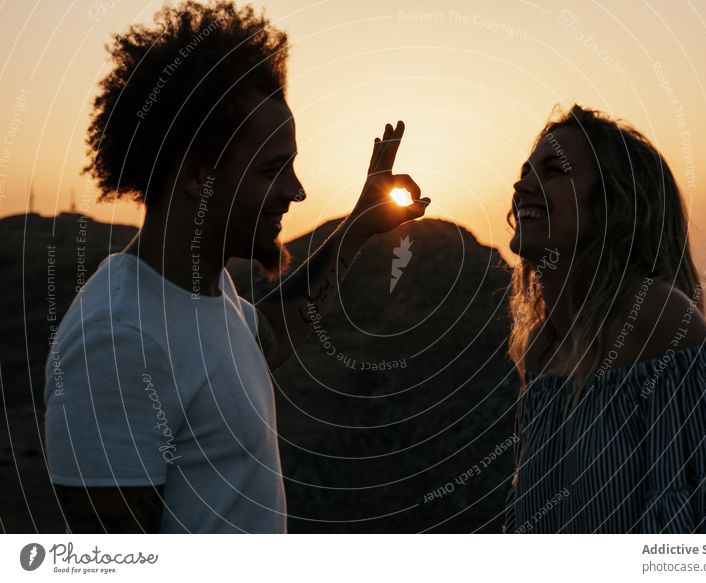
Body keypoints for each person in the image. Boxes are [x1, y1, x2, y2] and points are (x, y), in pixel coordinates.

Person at [43, 0, 429, 533]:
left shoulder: (206, 291)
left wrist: (358, 226)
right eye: (275, 168)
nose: (297, 191)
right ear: (199, 175)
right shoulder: (118, 339)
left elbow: (264, 339)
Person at [503, 104, 706, 533]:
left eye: (552, 171)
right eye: (527, 171)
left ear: (611, 203)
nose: (522, 184)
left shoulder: (653, 318)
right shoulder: (545, 346)